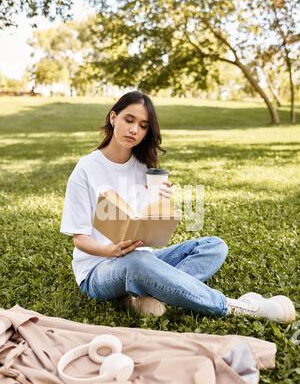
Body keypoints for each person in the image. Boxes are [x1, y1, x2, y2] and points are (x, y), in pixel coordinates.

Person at [60, 91, 296, 323]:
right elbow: (80, 239)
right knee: (137, 263)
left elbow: (146, 227)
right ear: (114, 118)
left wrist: (162, 203)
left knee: (213, 246)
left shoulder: (144, 168)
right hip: (98, 270)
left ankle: (143, 293)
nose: (134, 130)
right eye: (129, 120)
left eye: (143, 126)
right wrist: (112, 251)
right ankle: (241, 307)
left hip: (142, 258)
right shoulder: (86, 170)